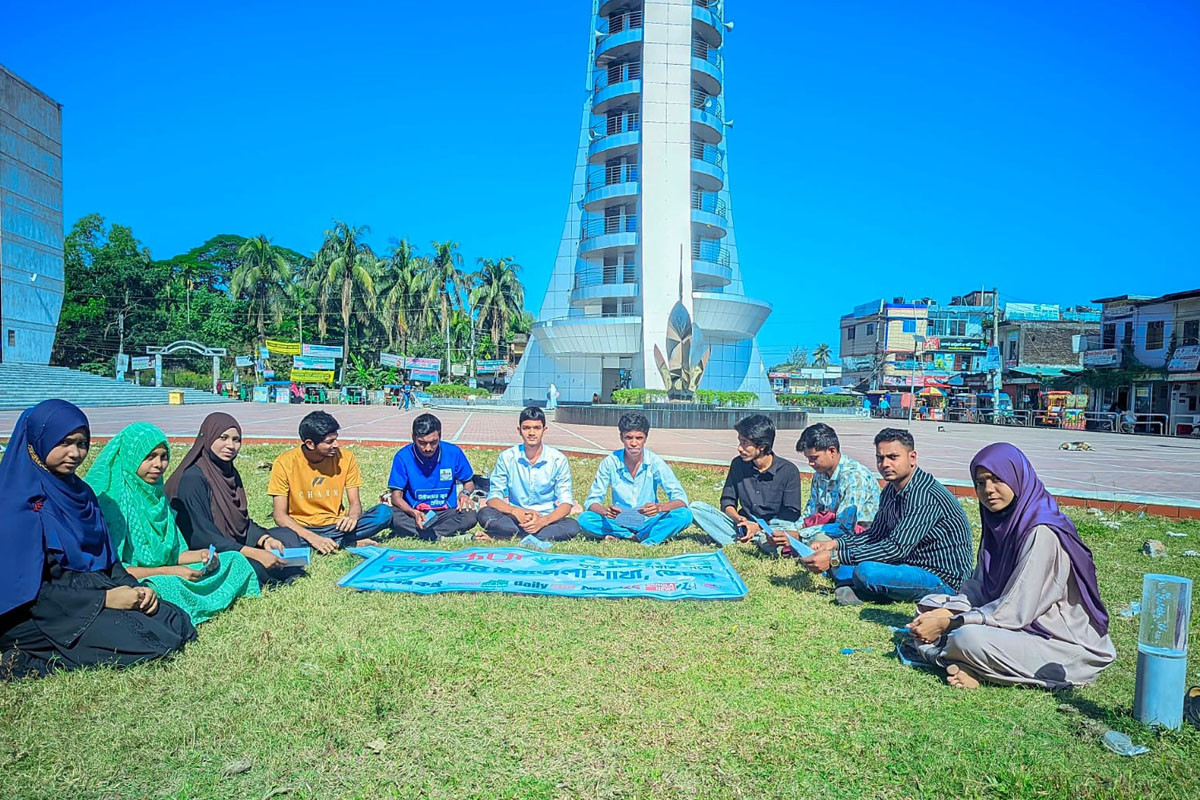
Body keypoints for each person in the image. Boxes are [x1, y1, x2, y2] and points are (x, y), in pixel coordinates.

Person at [0, 401, 196, 679]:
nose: (75, 453)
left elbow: (109, 560)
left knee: (177, 622)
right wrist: (104, 600)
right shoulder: (14, 500)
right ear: (36, 442)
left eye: (82, 444)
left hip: (89, 590)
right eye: (65, 442)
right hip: (38, 610)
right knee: (148, 643)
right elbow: (29, 590)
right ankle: (28, 657)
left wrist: (135, 589)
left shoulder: (81, 493)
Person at [905, 443, 1115, 690]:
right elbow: (980, 586)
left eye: (996, 479)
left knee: (966, 638)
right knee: (929, 607)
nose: (988, 490)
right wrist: (945, 613)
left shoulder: (1041, 532)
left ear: (1017, 478)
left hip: (1059, 643)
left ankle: (964, 664)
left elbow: (1016, 610)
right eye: (980, 483)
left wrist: (950, 623)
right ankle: (960, 661)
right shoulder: (999, 523)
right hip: (1014, 629)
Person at [87, 423, 260, 625]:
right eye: (149, 457)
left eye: (163, 457)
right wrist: (171, 571)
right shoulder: (113, 504)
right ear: (130, 457)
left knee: (233, 560)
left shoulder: (157, 498)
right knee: (160, 588)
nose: (158, 465)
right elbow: (117, 570)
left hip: (169, 572)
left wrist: (203, 556)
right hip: (138, 581)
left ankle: (194, 601)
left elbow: (174, 555)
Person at [800, 428, 973, 605]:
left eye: (893, 457)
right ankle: (860, 587)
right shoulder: (891, 489)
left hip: (942, 578)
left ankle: (863, 589)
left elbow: (895, 548)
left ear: (912, 458)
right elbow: (875, 535)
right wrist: (834, 544)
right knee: (852, 562)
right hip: (907, 564)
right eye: (880, 458)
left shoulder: (925, 496)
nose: (885, 464)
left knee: (866, 571)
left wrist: (836, 557)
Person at [167, 412, 308, 586]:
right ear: (208, 437)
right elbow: (201, 537)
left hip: (232, 543)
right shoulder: (193, 478)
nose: (230, 446)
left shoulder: (228, 472)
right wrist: (253, 553)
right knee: (249, 565)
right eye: (223, 438)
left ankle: (277, 565)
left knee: (286, 536)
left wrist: (265, 539)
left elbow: (242, 523)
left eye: (236, 440)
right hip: (206, 552)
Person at [267, 411, 392, 552]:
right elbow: (279, 515)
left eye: (336, 439)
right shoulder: (285, 462)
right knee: (273, 537)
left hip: (337, 525)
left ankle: (330, 542)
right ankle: (344, 542)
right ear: (310, 444)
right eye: (329, 442)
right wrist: (312, 537)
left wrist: (352, 518)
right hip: (301, 528)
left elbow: (355, 503)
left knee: (384, 513)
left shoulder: (346, 458)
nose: (336, 445)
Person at [689, 414, 803, 549]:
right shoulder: (738, 464)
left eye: (745, 443)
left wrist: (758, 527)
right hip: (742, 524)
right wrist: (738, 519)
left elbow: (791, 513)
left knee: (783, 531)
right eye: (740, 442)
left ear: (761, 446)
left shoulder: (788, 471)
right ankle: (746, 538)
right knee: (696, 508)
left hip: (772, 526)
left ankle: (753, 540)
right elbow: (727, 501)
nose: (739, 448)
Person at [579, 413, 692, 545]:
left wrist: (659, 508)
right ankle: (630, 535)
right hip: (619, 520)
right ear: (621, 437)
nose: (633, 443)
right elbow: (592, 501)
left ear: (646, 438)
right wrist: (605, 511)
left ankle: (641, 538)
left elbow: (681, 499)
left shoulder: (654, 462)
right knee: (585, 519)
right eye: (628, 437)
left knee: (685, 515)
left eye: (639, 438)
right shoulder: (610, 462)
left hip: (648, 519)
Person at [768, 423, 879, 551]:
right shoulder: (819, 474)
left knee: (818, 542)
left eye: (814, 458)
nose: (810, 463)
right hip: (823, 526)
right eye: (808, 458)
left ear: (832, 451)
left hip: (856, 535)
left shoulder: (854, 477)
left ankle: (796, 547)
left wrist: (799, 534)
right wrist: (791, 531)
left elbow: (845, 527)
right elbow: (811, 512)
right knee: (774, 531)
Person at [477, 406, 579, 542]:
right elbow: (493, 497)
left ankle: (506, 536)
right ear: (519, 430)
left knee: (572, 526)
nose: (532, 433)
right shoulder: (507, 457)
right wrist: (515, 511)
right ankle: (530, 536)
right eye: (526, 428)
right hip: (515, 518)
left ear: (544, 430)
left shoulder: (558, 460)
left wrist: (543, 521)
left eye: (537, 428)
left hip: (546, 518)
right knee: (485, 514)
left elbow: (566, 502)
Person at [388, 413, 479, 540]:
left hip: (446, 512)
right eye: (422, 443)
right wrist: (413, 513)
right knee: (391, 515)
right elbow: (396, 497)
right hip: (415, 512)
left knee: (470, 516)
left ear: (440, 436)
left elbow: (469, 482)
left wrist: (464, 493)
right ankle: (440, 535)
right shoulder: (402, 457)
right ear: (413, 437)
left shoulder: (454, 452)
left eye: (433, 442)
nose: (428, 448)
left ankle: (426, 534)